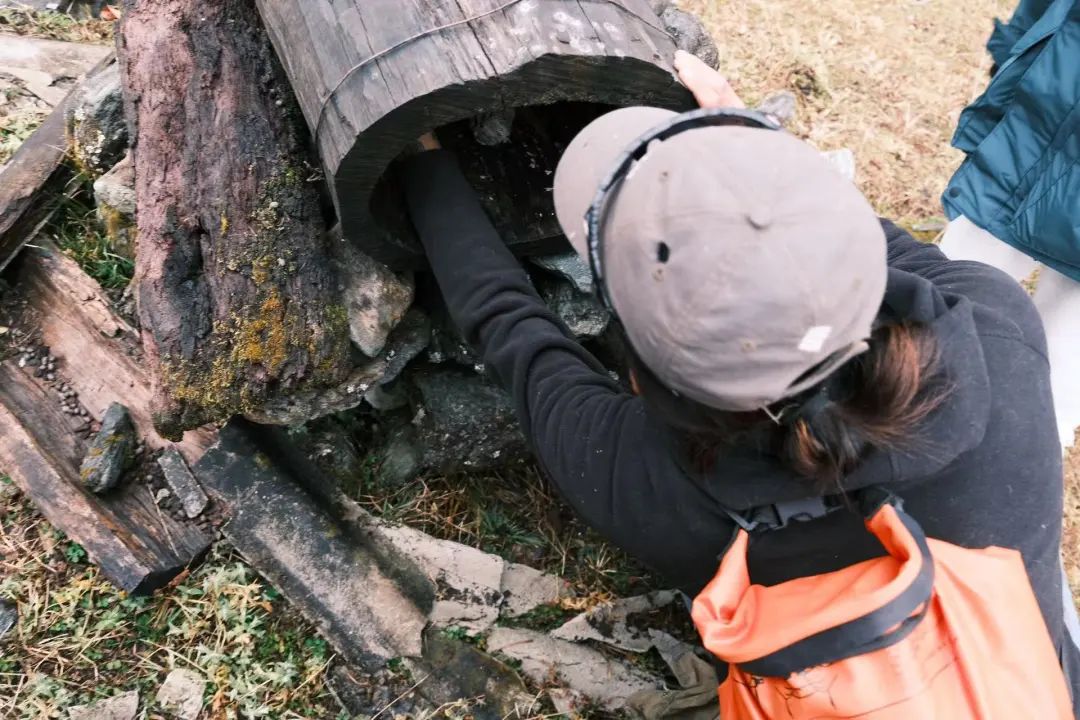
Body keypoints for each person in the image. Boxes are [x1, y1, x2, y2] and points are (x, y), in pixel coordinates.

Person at [400, 50, 1080, 705]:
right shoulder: (997, 326)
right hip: (1032, 687)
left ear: (651, 365)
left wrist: (419, 159)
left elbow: (511, 330)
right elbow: (871, 242)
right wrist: (749, 141)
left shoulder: (646, 489)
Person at [940, 0, 1080, 452]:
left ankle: (995, 491)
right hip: (1039, 131)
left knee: (1059, 367)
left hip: (1036, 136)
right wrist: (1015, 49)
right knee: (935, 302)